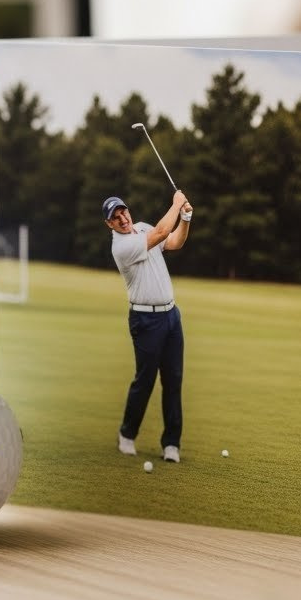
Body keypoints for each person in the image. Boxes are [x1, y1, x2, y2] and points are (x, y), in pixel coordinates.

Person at [103, 188, 194, 463]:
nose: (123, 219)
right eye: (116, 217)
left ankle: (171, 444)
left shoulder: (142, 228)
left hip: (171, 316)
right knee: (145, 380)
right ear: (109, 224)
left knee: (173, 380)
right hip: (145, 320)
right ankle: (127, 435)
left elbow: (174, 241)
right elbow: (162, 233)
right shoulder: (122, 247)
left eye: (124, 212)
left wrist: (185, 219)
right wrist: (176, 204)